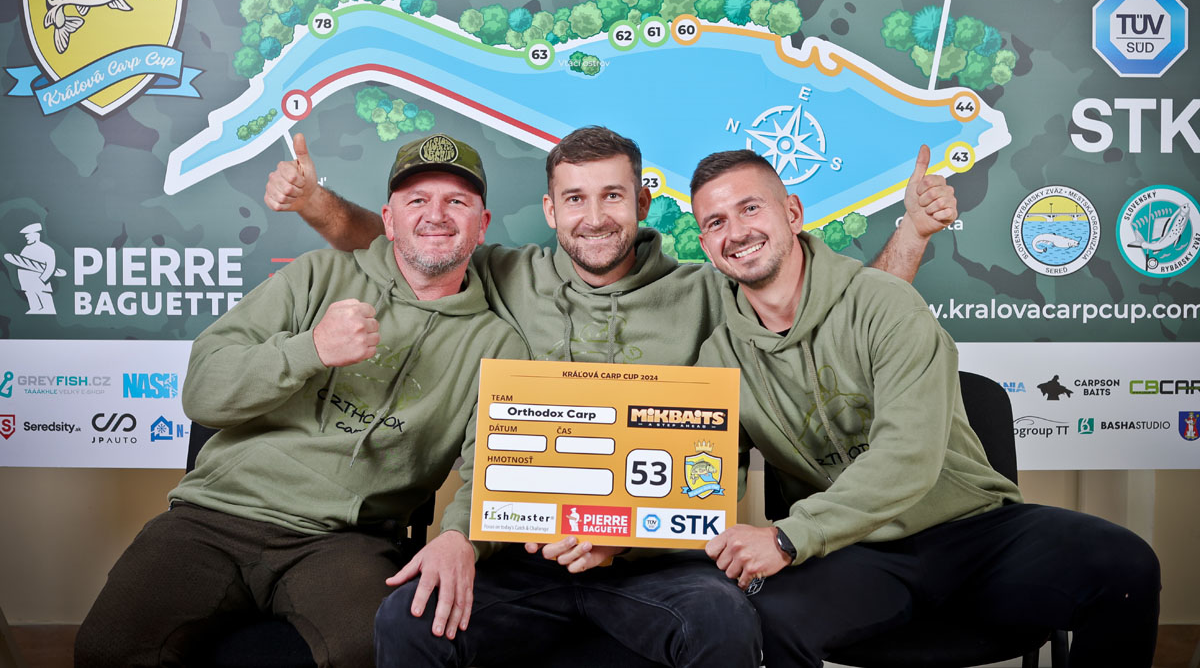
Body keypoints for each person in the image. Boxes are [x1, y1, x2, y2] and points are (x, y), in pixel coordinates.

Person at [265, 126, 958, 667]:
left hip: (652, 561)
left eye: (613, 197)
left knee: (727, 620)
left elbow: (829, 309)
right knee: (408, 619)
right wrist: (314, 202)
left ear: (643, 203)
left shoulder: (708, 288)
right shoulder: (506, 274)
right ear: (551, 209)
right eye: (575, 198)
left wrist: (912, 235)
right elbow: (413, 243)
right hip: (522, 557)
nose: (594, 217)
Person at [688, 149, 1161, 668]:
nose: (736, 232)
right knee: (758, 614)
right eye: (716, 222)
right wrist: (629, 532)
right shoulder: (717, 360)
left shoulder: (886, 304)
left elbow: (908, 454)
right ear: (706, 245)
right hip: (850, 552)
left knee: (1124, 565)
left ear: (793, 213)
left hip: (971, 532)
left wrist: (785, 537)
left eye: (750, 208)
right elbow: (703, 480)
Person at [75, 134, 527, 668]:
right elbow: (202, 391)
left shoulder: (498, 342)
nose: (436, 214)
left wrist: (460, 536)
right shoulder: (317, 275)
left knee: (378, 651)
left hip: (345, 540)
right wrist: (311, 348)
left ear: (482, 224)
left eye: (456, 201)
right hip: (216, 516)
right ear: (388, 219)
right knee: (107, 649)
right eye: (417, 200)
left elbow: (495, 465)